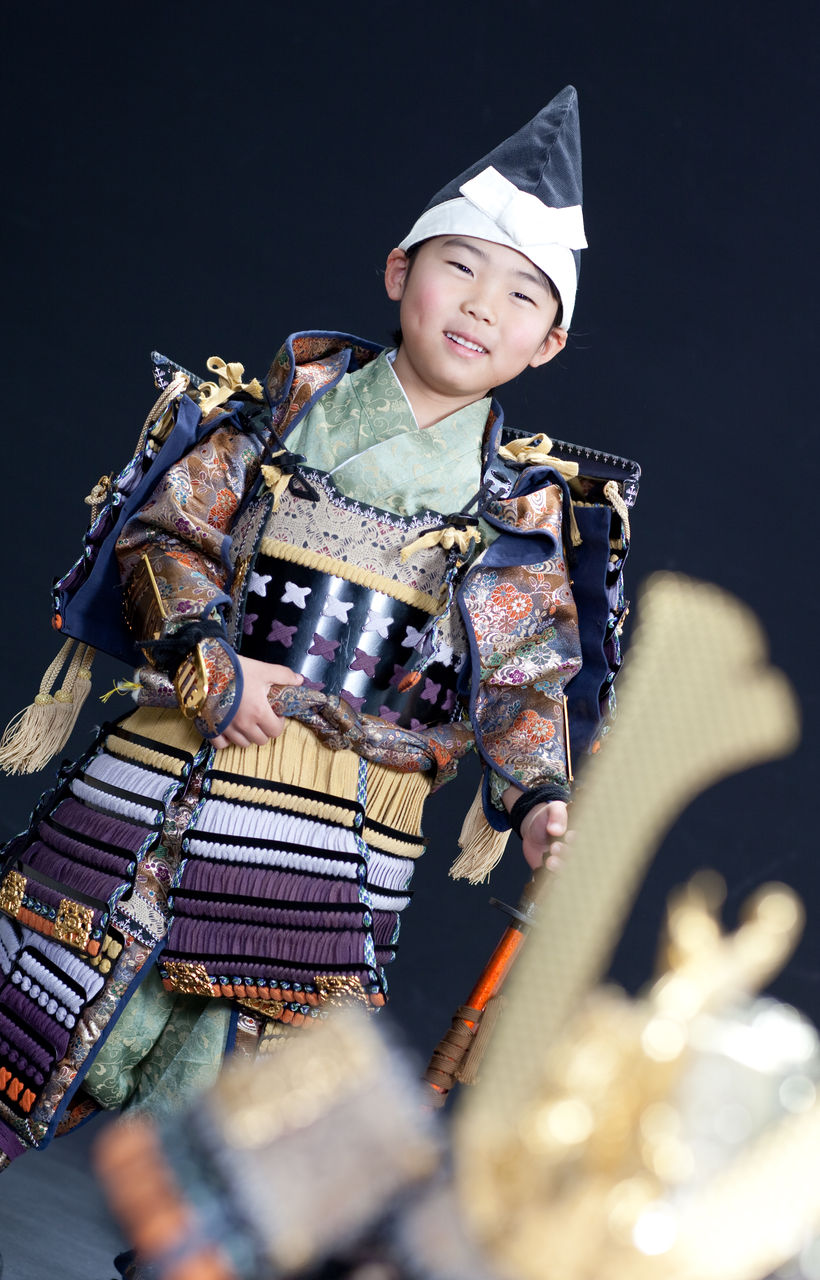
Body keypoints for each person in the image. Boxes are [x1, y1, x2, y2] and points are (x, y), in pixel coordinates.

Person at [0, 86, 635, 1166]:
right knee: (37, 1008)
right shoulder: (268, 423)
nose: (481, 306)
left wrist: (539, 801)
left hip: (339, 836)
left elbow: (523, 681)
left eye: (521, 294)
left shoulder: (518, 518)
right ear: (398, 272)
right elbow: (165, 538)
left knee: (245, 1145)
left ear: (550, 341)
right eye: (459, 267)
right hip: (175, 768)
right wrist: (210, 659)